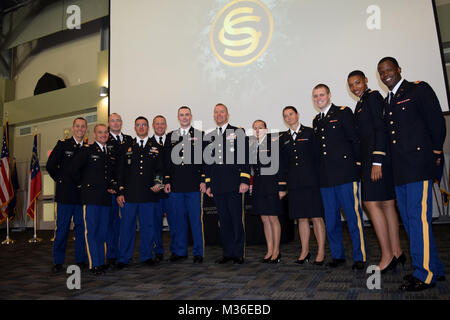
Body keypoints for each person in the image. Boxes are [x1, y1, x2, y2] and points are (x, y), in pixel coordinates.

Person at [377, 57, 446, 291]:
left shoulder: (418, 89)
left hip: (418, 167)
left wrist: (435, 151)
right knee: (410, 221)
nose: (386, 74)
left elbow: (436, 121)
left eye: (389, 69)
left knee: (418, 220)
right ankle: (433, 267)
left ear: (398, 70)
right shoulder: (388, 101)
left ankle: (424, 274)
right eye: (381, 72)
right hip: (400, 171)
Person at [347, 70, 403, 273]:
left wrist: (377, 160)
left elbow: (381, 128)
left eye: (358, 82)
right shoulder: (361, 103)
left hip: (377, 160)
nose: (355, 87)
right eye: (351, 85)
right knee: (387, 204)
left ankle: (387, 255)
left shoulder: (372, 98)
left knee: (370, 203)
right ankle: (397, 252)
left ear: (366, 81)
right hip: (374, 160)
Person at [312, 84, 367, 270]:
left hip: (345, 175)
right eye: (315, 96)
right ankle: (338, 255)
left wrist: (357, 167)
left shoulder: (343, 112)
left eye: (321, 94)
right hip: (326, 179)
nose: (318, 98)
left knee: (353, 218)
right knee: (332, 220)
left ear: (329, 95)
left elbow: (354, 140)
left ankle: (360, 257)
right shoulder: (316, 121)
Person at [204, 103, 250, 264]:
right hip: (217, 185)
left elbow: (245, 156)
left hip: (235, 184)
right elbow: (208, 162)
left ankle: (238, 253)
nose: (219, 115)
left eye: (222, 112)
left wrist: (245, 180)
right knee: (223, 221)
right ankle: (227, 252)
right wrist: (208, 183)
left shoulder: (238, 132)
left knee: (236, 219)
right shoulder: (209, 135)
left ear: (227, 115)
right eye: (216, 112)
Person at [115, 116, 163, 269]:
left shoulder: (155, 146)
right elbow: (121, 171)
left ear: (148, 128)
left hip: (148, 195)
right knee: (126, 227)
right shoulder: (127, 146)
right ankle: (124, 258)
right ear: (135, 128)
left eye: (144, 125)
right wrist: (120, 191)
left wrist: (159, 183)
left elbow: (160, 169)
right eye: (138, 125)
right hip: (129, 195)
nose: (141, 127)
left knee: (147, 227)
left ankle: (146, 256)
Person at [280, 107, 326, 265]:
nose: (289, 117)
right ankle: (305, 251)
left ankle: (320, 252)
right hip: (294, 184)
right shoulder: (283, 138)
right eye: (285, 116)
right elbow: (284, 164)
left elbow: (318, 157)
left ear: (297, 115)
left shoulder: (310, 133)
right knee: (301, 218)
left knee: (316, 217)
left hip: (311, 182)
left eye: (291, 114)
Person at [70, 124, 116, 275]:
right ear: (95, 135)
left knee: (103, 231)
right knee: (92, 232)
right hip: (91, 198)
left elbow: (108, 175)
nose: (103, 135)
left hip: (105, 197)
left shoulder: (108, 153)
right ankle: (94, 263)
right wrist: (84, 186)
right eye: (100, 132)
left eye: (105, 132)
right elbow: (74, 170)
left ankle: (101, 262)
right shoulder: (87, 150)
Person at [164, 106, 206, 263]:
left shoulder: (200, 135)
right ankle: (180, 251)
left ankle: (198, 253)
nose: (184, 117)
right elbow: (167, 161)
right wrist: (167, 180)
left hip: (194, 185)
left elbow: (204, 161)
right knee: (178, 220)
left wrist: (203, 180)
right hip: (176, 185)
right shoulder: (171, 136)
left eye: (187, 114)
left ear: (191, 116)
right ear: (178, 117)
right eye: (181, 115)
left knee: (195, 220)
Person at [46, 117, 89, 273]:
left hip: (81, 196)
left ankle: (81, 259)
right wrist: (61, 179)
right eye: (77, 126)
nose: (80, 129)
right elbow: (51, 165)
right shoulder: (63, 145)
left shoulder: (88, 148)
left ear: (86, 129)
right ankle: (58, 261)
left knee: (81, 230)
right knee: (62, 229)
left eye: (83, 127)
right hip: (64, 196)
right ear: (73, 128)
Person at [250, 119, 285, 264]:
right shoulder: (252, 145)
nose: (258, 130)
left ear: (266, 129)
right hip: (259, 185)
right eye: (255, 128)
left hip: (272, 185)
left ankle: (277, 251)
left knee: (273, 218)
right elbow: (251, 168)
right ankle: (269, 250)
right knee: (264, 219)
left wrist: (282, 186)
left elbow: (281, 166)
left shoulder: (273, 143)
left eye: (260, 127)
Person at [105, 113, 132, 267]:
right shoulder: (104, 139)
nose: (115, 123)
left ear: (121, 123)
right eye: (112, 121)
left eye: (118, 121)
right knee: (111, 223)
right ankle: (112, 254)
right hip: (110, 190)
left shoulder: (129, 140)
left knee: (125, 224)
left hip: (126, 189)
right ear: (109, 123)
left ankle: (124, 253)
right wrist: (112, 185)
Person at [150, 115, 170, 263]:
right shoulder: (147, 143)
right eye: (157, 124)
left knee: (175, 223)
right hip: (155, 191)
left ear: (166, 125)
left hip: (170, 190)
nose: (160, 126)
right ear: (153, 125)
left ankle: (176, 251)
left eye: (162, 123)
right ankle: (158, 251)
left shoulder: (172, 141)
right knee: (155, 223)